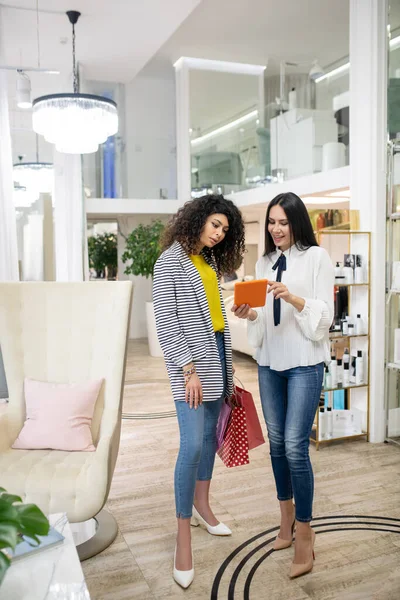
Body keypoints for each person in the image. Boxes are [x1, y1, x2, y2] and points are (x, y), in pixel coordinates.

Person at [232, 192, 334, 579]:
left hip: (304, 365)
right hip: (270, 364)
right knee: (276, 444)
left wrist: (292, 297)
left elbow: (324, 318)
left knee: (294, 445)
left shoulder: (316, 259)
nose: (276, 229)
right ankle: (285, 521)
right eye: (271, 222)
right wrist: (250, 313)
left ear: (296, 222)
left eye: (283, 222)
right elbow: (261, 324)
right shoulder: (263, 261)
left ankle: (305, 534)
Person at [153, 194, 245, 589]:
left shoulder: (208, 262)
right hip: (189, 367)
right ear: (197, 221)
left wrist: (227, 364)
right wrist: (188, 369)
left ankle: (202, 505)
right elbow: (166, 321)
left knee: (208, 441)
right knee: (191, 445)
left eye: (225, 230)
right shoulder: (168, 262)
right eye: (215, 225)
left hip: (217, 362)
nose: (219, 234)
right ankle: (182, 535)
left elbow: (216, 317)